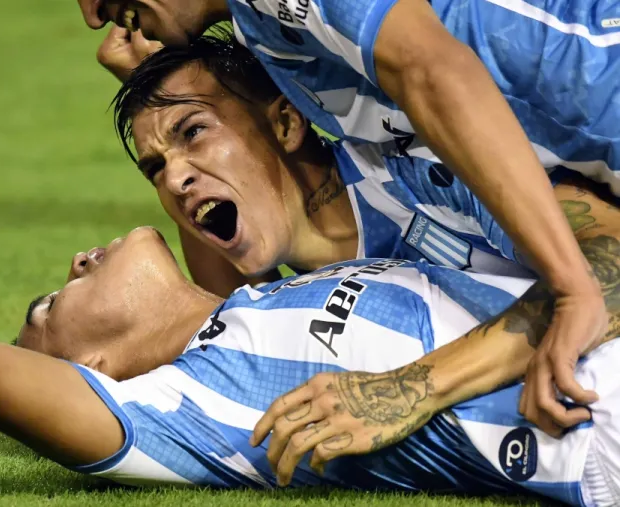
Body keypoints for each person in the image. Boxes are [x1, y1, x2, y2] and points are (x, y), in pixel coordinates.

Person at [0, 49, 620, 506]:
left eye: (190, 140)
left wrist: (162, 77)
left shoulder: (292, 277)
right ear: (93, 374)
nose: (74, 261)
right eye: (49, 305)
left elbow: (244, 239)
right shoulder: (187, 407)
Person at [78, 0, 618, 439]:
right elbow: (223, 325)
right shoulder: (300, 280)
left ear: (287, 122)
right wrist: (152, 87)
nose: (174, 179)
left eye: (194, 131)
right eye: (155, 169)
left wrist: (412, 390)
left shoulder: (423, 172)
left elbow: (607, 266)